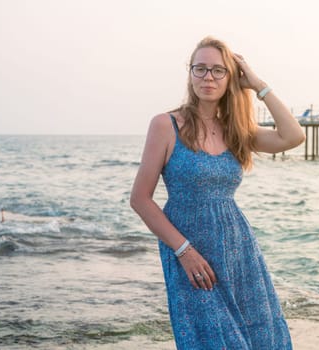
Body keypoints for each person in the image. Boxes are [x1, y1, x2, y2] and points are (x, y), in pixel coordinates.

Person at [130, 36, 305, 349]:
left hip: (240, 251)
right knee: (209, 339)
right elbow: (140, 199)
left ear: (230, 78)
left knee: (261, 337)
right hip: (190, 253)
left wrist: (257, 84)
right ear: (190, 74)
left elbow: (293, 136)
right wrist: (184, 251)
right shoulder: (165, 125)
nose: (207, 77)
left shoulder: (237, 130)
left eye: (217, 70)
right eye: (200, 69)